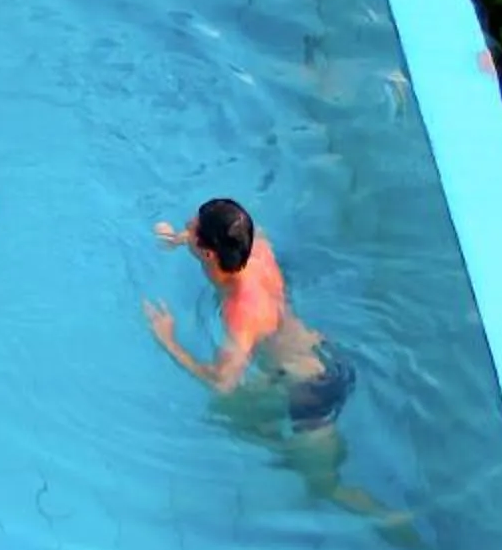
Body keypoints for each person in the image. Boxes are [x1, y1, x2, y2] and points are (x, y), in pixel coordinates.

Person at [144, 197, 394, 522]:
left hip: (308, 392)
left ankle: (405, 532)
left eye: (192, 227)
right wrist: (181, 239)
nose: (187, 225)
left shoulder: (240, 312)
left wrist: (168, 341)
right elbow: (243, 233)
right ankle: (294, 452)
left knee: (326, 488)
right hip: (323, 355)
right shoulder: (257, 249)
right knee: (234, 412)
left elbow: (222, 381)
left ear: (208, 253)